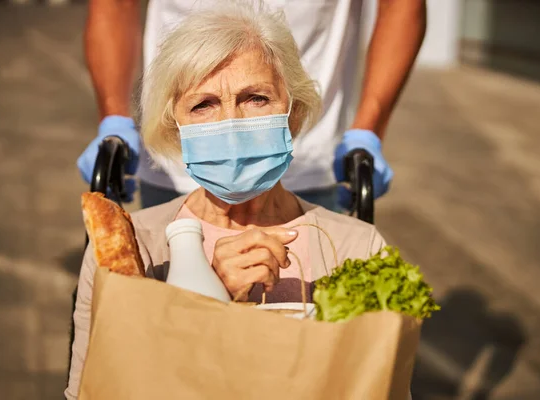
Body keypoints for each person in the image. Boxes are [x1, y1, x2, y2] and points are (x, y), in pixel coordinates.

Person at [66, 5, 392, 398]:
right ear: (175, 128)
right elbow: (98, 387)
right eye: (203, 105)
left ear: (293, 112)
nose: (232, 125)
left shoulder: (358, 249)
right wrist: (205, 302)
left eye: (255, 98)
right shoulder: (135, 253)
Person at [77, 0, 426, 211]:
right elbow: (115, 6)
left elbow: (401, 7)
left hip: (306, 158)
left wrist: (368, 130)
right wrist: (114, 119)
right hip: (179, 154)